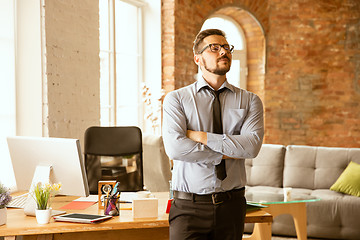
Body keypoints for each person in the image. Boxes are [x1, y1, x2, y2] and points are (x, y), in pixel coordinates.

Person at [162, 28, 264, 240]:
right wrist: (230, 151)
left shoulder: (250, 101)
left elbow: (251, 147)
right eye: (214, 48)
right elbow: (176, 148)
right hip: (189, 207)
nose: (223, 52)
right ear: (198, 59)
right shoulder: (177, 100)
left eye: (226, 47)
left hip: (232, 206)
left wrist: (201, 137)